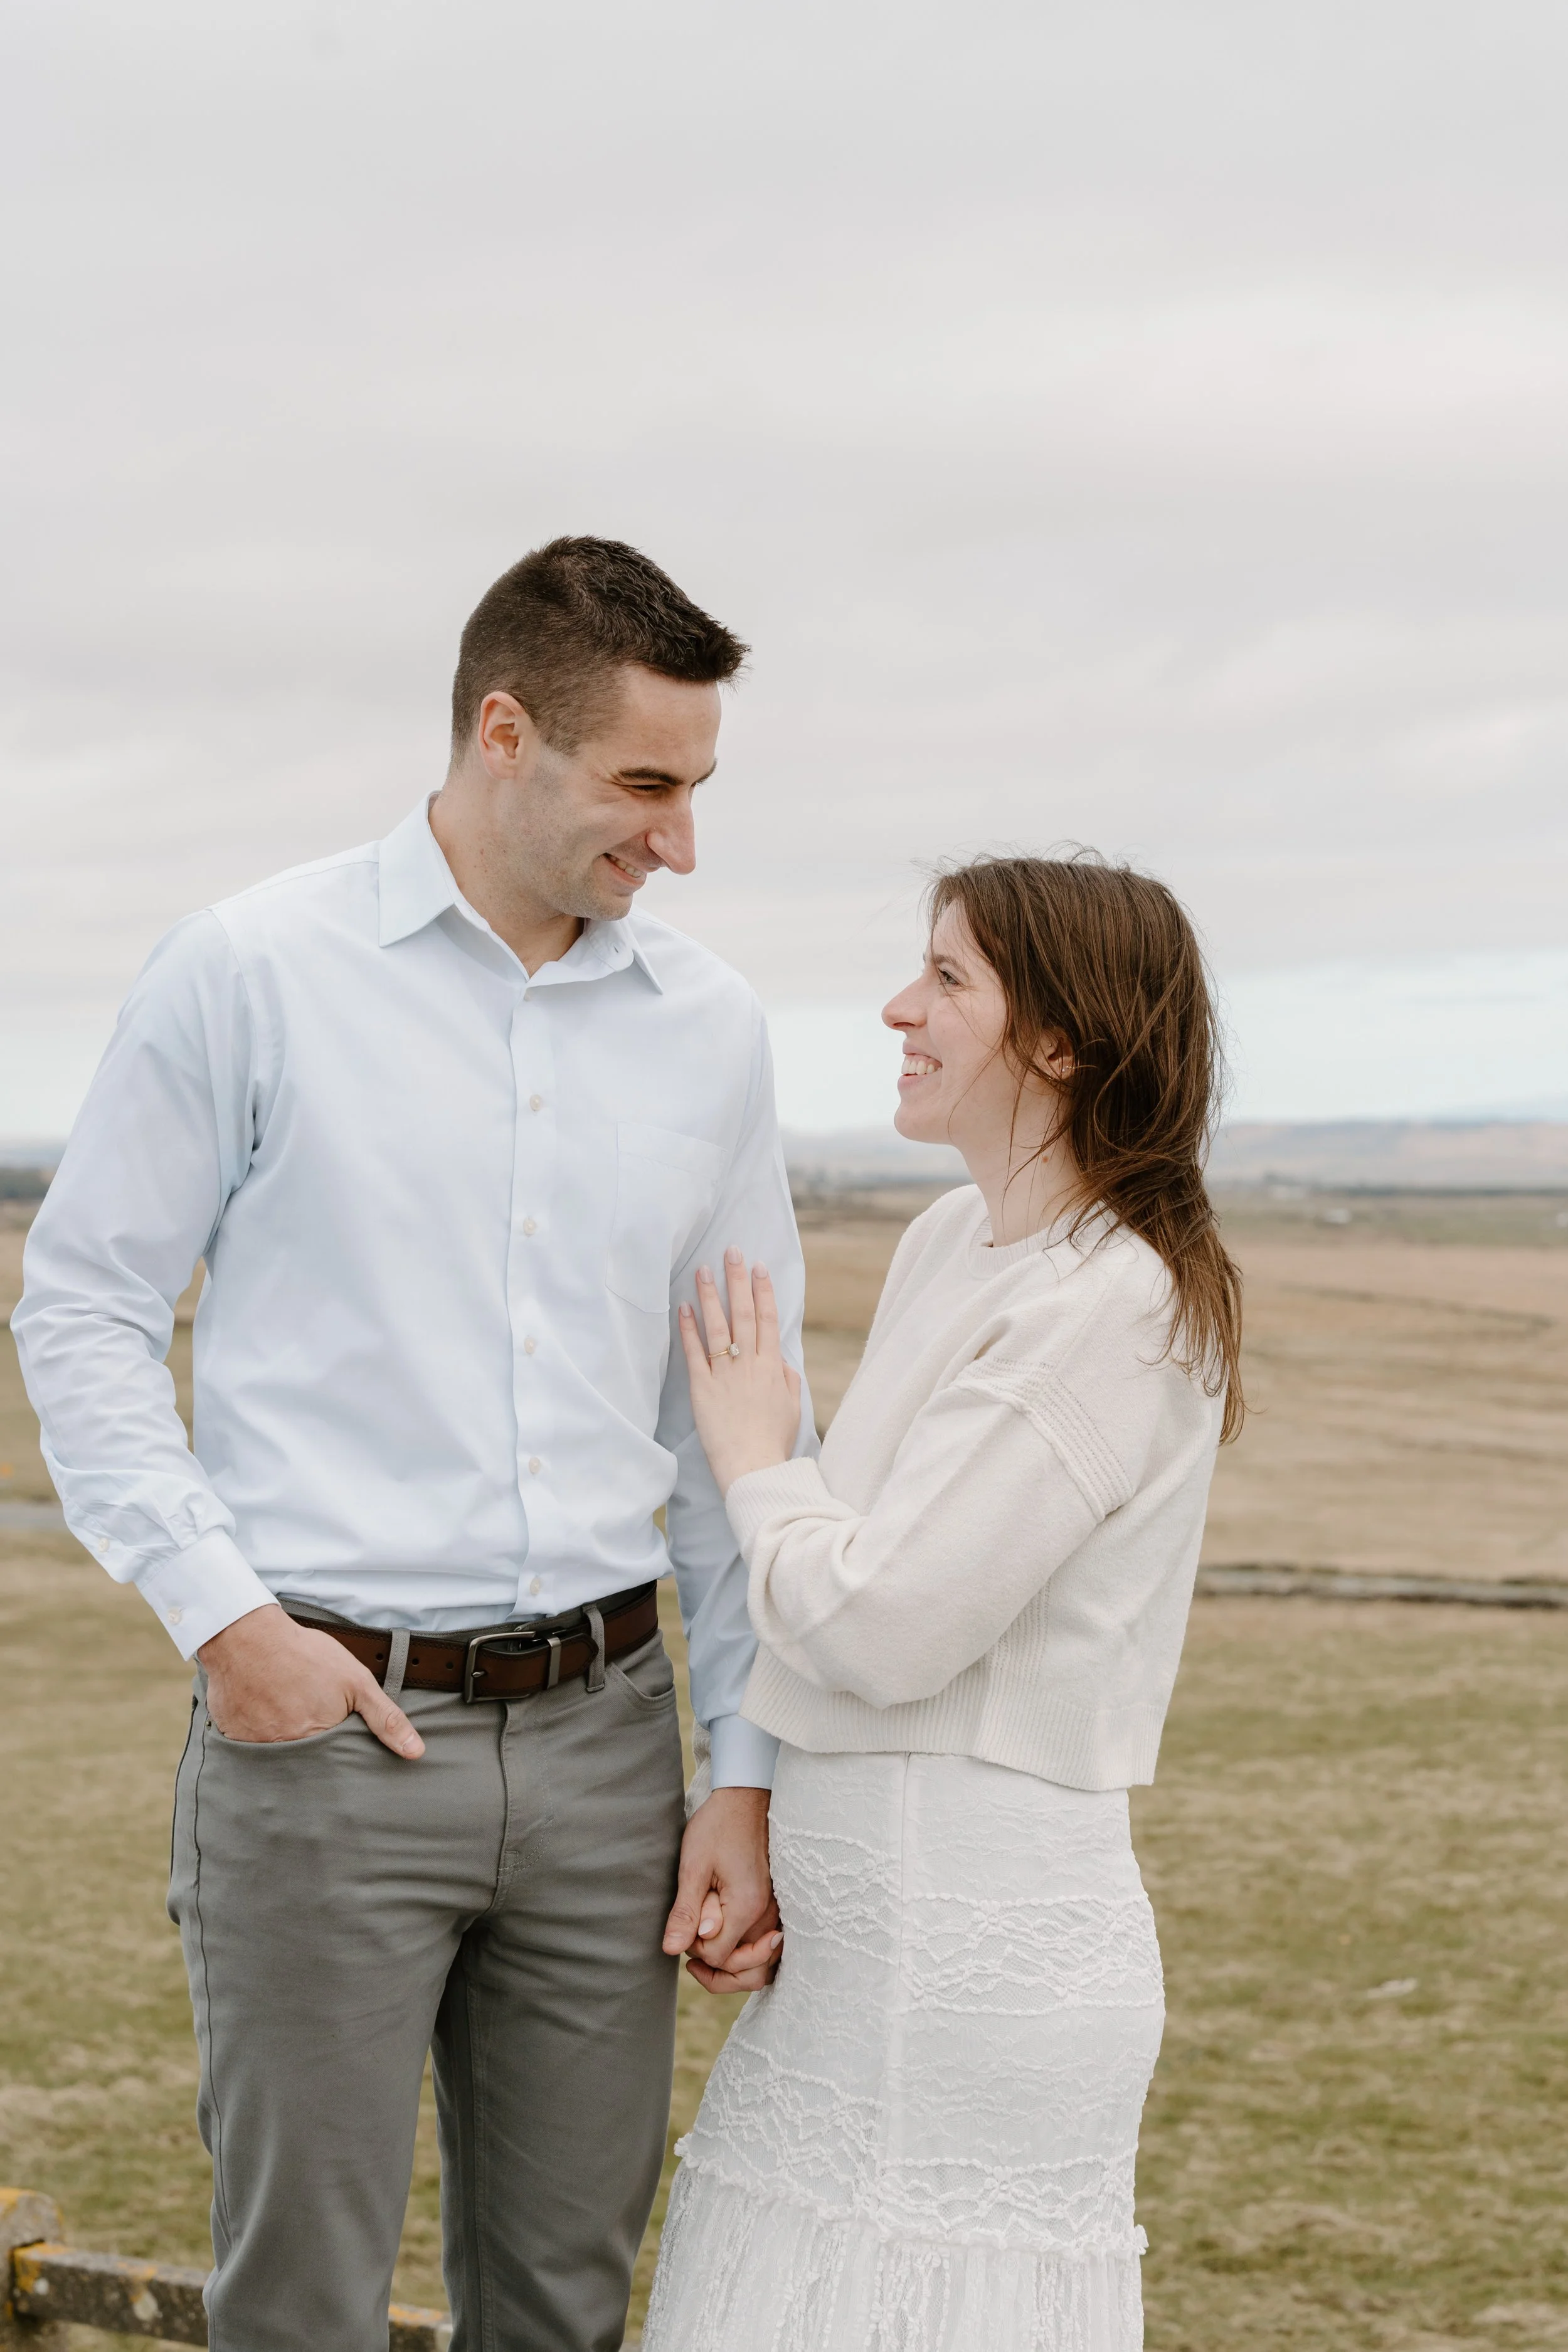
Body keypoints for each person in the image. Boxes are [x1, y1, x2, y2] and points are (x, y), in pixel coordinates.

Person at [13, 536, 810, 2352]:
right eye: (647, 785)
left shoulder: (714, 1032)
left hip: (617, 1752)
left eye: (698, 791)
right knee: (297, 2305)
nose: (680, 842)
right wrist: (230, 1623)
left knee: (564, 2299)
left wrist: (744, 1766)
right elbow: (80, 1310)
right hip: (325, 1743)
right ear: (503, 733)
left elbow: (745, 1420)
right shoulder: (246, 970)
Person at [643, 853, 1243, 2352]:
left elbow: (882, 1618)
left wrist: (746, 1455)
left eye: (949, 979)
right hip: (852, 1969)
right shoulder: (944, 1244)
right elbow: (853, 1579)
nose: (898, 1007)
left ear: (1059, 1039)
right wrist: (757, 1801)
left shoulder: (1116, 1303)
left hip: (978, 1967)